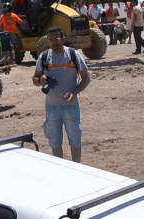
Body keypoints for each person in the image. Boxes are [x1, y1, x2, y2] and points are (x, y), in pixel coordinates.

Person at [32, 27, 91, 162]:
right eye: (51, 39)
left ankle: (77, 168)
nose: (54, 41)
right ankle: (61, 169)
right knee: (55, 142)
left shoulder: (73, 54)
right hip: (52, 107)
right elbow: (35, 79)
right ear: (48, 40)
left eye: (57, 38)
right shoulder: (44, 57)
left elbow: (86, 78)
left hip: (71, 106)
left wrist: (74, 92)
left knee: (75, 140)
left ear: (63, 37)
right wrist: (40, 80)